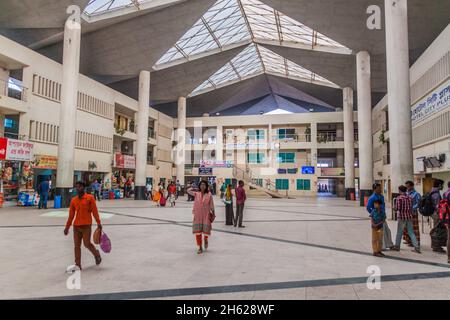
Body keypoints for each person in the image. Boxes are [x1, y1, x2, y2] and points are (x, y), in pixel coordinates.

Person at [64, 181, 102, 270]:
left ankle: (96, 254)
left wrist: (98, 222)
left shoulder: (90, 198)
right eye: (77, 187)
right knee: (77, 246)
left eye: (80, 186)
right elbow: (71, 215)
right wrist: (67, 227)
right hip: (76, 226)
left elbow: (95, 211)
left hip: (86, 226)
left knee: (87, 243)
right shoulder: (74, 200)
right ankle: (78, 265)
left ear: (84, 188)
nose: (78, 188)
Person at [188, 180, 215, 254]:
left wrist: (213, 213)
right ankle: (200, 247)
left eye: (204, 185)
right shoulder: (197, 193)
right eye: (201, 185)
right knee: (198, 232)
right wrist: (195, 188)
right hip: (198, 214)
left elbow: (211, 204)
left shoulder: (209, 194)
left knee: (206, 230)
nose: (202, 186)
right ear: (199, 186)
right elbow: (188, 190)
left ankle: (205, 239)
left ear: (206, 186)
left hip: (206, 214)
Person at [391, 185, 421, 254]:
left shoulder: (399, 198)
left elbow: (398, 208)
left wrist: (394, 208)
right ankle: (417, 247)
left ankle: (397, 246)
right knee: (411, 232)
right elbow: (411, 207)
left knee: (399, 232)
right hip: (409, 217)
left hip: (402, 217)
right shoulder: (410, 198)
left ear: (400, 190)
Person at [367, 183, 394, 250]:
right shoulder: (372, 198)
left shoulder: (381, 196)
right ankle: (380, 247)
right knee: (379, 233)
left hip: (382, 216)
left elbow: (383, 206)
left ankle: (389, 244)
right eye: (378, 189)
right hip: (377, 219)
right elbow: (368, 207)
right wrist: (374, 214)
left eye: (380, 188)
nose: (380, 190)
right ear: (374, 189)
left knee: (387, 231)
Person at [403, 181, 421, 247]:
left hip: (413, 213)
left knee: (414, 228)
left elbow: (419, 203)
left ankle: (416, 242)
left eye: (408, 186)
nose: (407, 188)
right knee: (407, 227)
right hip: (406, 213)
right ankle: (409, 240)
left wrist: (412, 208)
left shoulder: (416, 194)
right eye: (406, 186)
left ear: (412, 186)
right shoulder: (406, 193)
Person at [430, 179, 445, 253]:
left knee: (436, 229)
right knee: (437, 230)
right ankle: (436, 246)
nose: (443, 186)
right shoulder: (436, 194)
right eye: (442, 185)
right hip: (436, 214)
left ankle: (435, 246)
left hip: (434, 214)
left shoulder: (433, 191)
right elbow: (437, 206)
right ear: (439, 185)